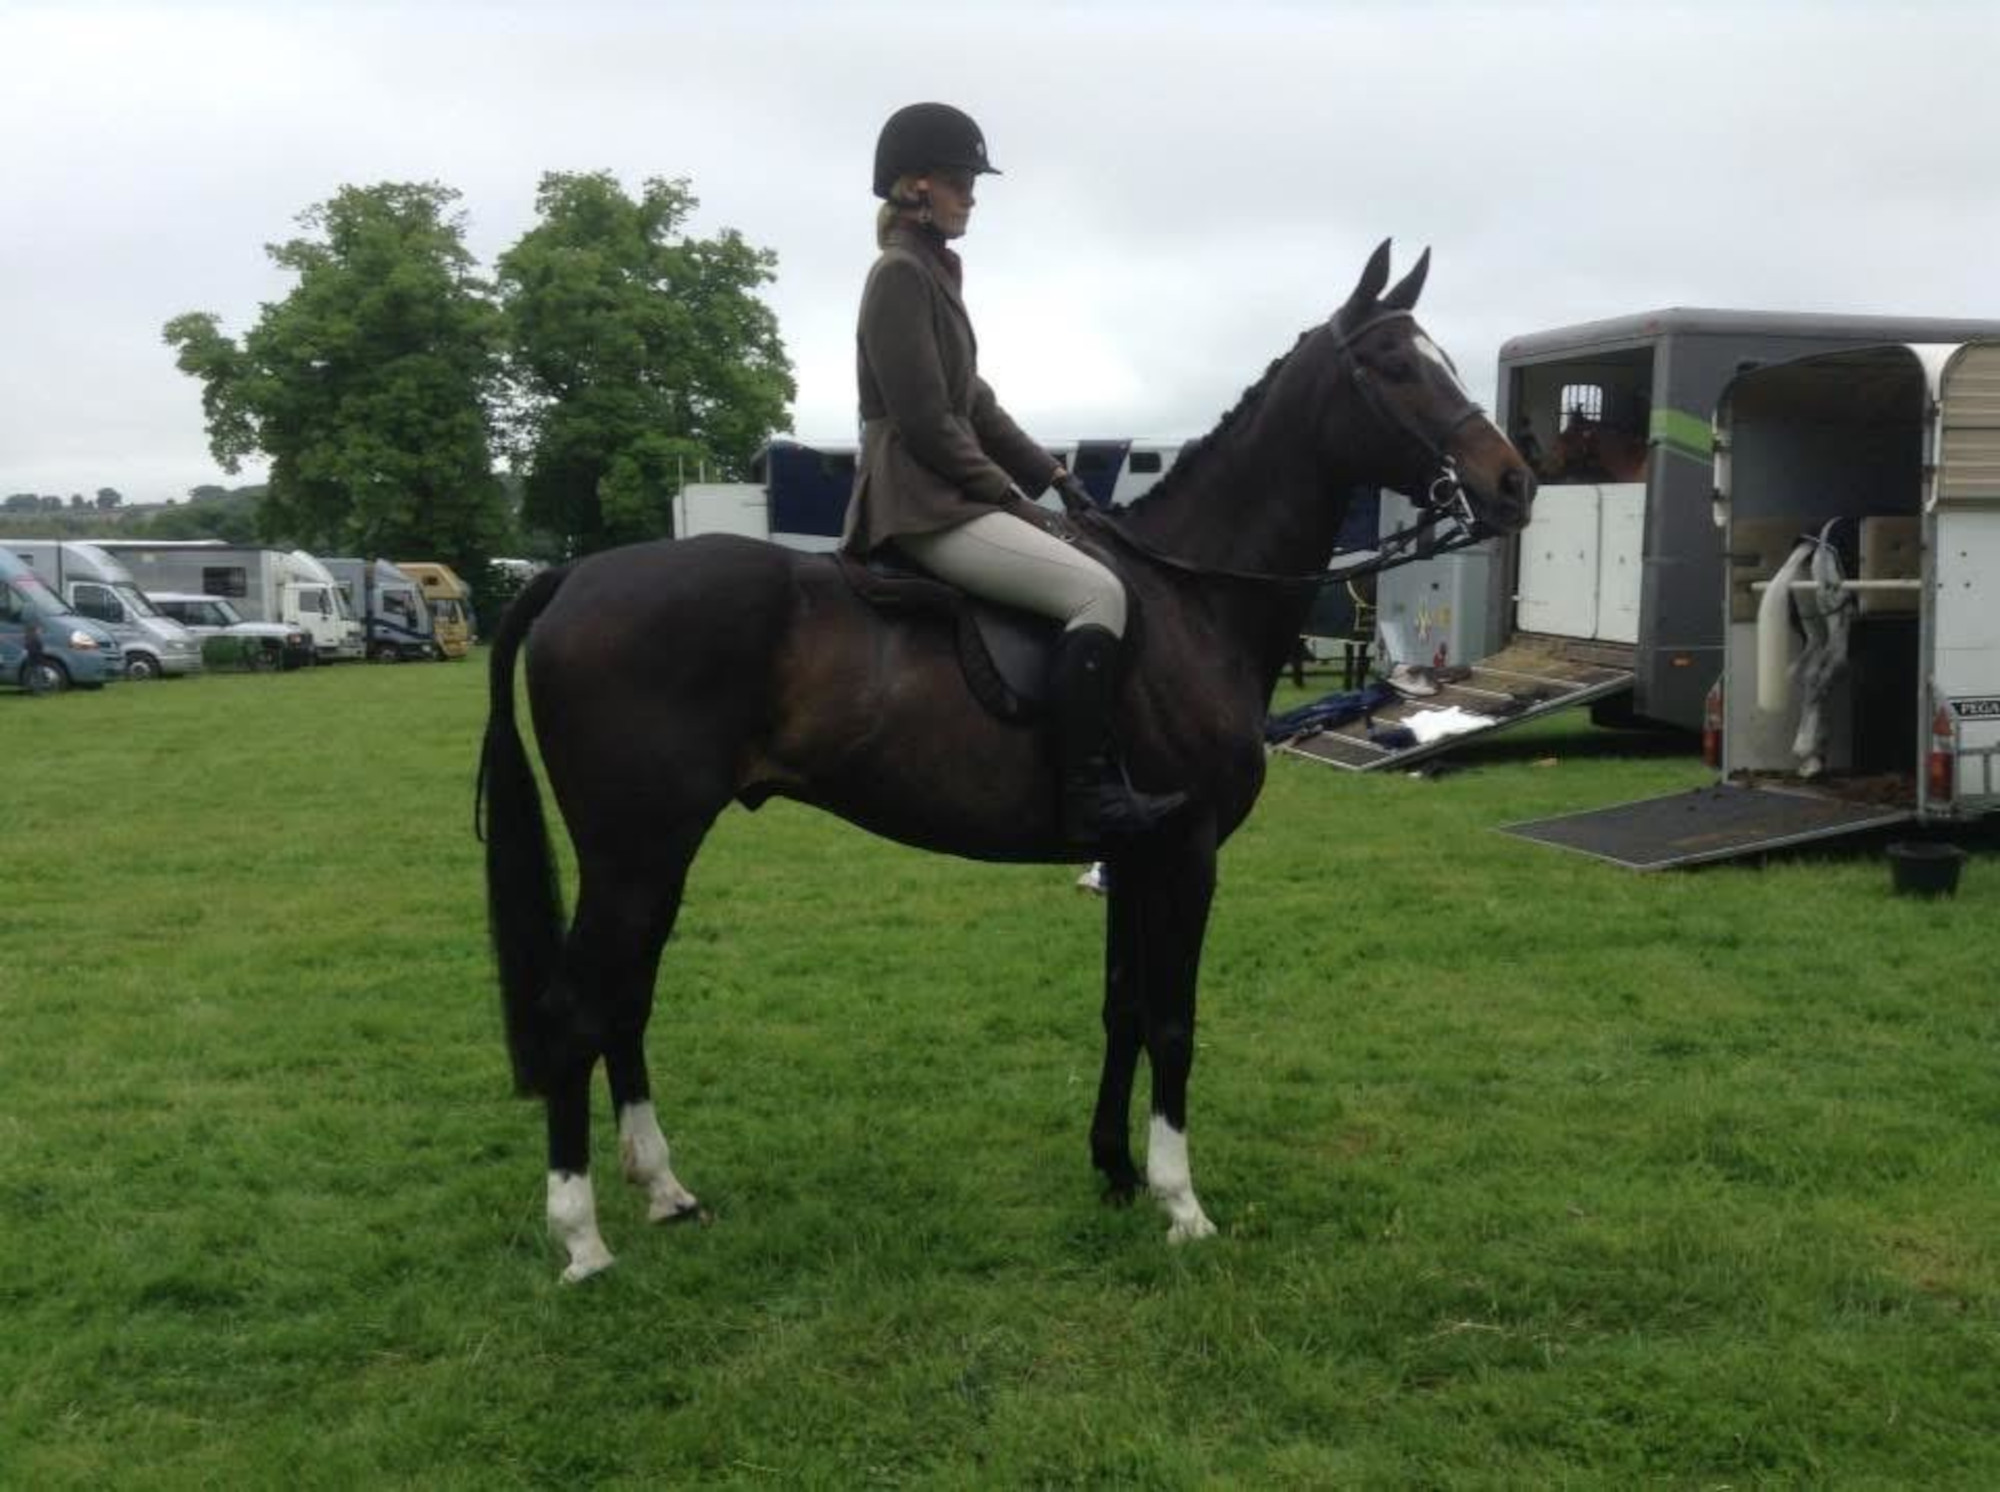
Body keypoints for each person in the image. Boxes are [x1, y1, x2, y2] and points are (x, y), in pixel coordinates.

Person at [842, 102, 1186, 847]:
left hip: (946, 494)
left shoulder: (932, 276)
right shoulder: (898, 277)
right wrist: (1009, 497)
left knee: (1095, 561)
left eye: (972, 180)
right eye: (962, 180)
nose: (973, 194)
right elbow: (929, 422)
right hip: (922, 504)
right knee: (1099, 589)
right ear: (914, 188)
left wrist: (1053, 477)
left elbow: (978, 404)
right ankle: (1087, 793)